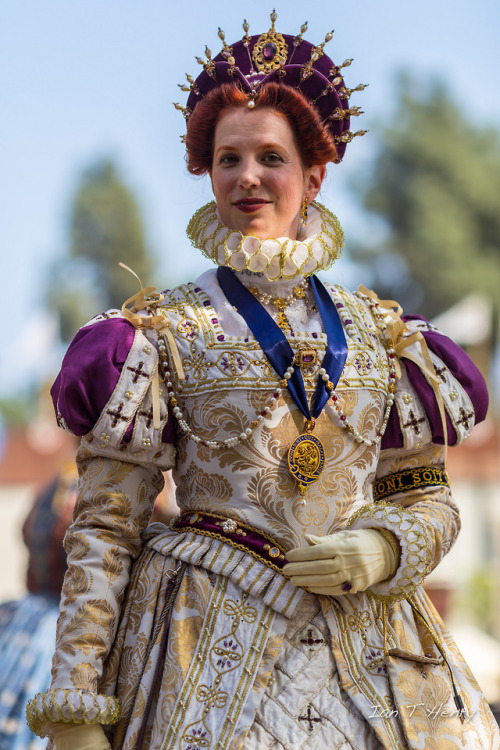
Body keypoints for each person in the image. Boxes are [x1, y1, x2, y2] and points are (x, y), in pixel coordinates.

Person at [27, 12, 499, 750]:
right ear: (208, 173)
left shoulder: (385, 337)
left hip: (372, 648)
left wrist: (383, 547)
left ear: (312, 177)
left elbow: (429, 499)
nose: (248, 176)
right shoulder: (156, 334)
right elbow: (104, 530)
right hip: (199, 646)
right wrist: (75, 708)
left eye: (270, 157)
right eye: (228, 159)